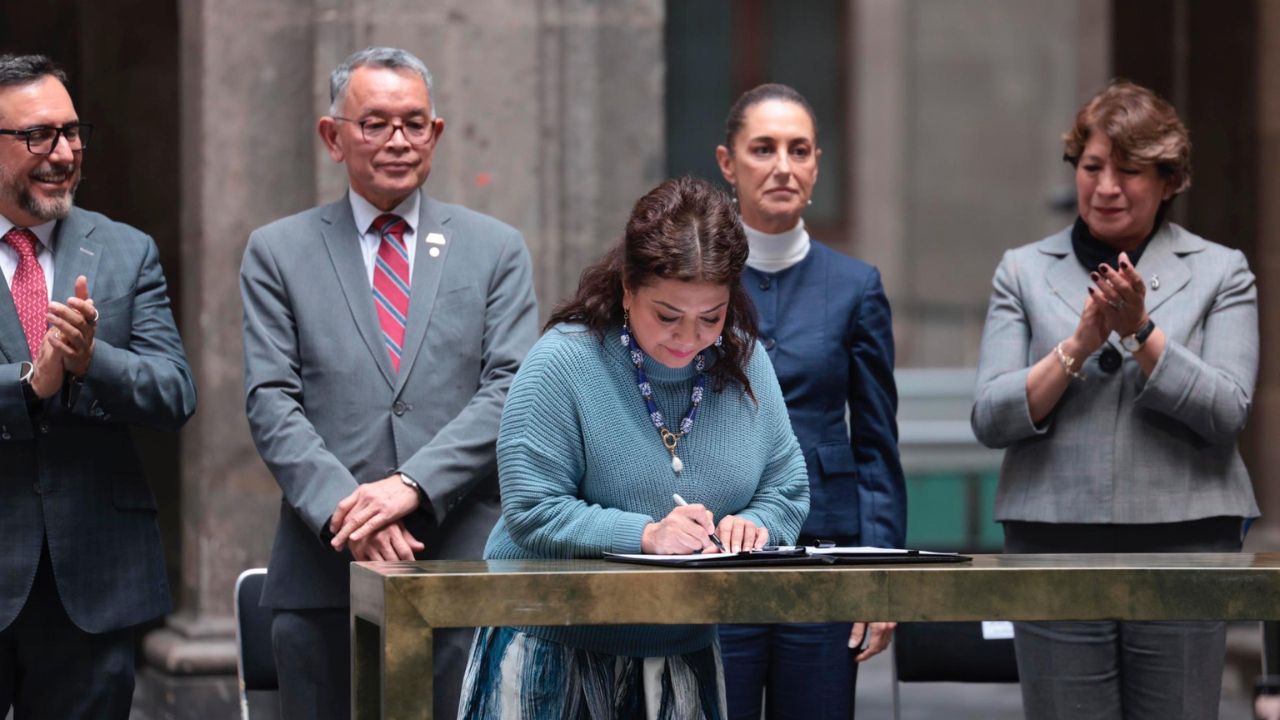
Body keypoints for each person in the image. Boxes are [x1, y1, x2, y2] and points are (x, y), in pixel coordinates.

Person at [241, 47, 538, 720]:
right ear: (333, 137)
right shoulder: (277, 251)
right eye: (374, 123)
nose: (397, 141)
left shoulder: (494, 249)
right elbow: (270, 402)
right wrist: (352, 512)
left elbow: (510, 390)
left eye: (413, 123)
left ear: (436, 133)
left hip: (459, 566)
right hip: (322, 574)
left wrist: (410, 488)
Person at [456, 175, 810, 719]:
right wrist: (645, 534)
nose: (688, 338)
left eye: (710, 317)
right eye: (667, 316)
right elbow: (531, 509)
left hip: (680, 650)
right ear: (627, 289)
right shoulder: (564, 362)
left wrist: (758, 524)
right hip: (553, 647)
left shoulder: (742, 360)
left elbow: (786, 485)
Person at [971, 80, 1258, 719]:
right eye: (1093, 167)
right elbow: (991, 416)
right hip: (1053, 542)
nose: (1106, 187)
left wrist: (1142, 334)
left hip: (1186, 544)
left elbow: (1228, 411)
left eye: (1128, 170)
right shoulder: (1022, 270)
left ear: (1168, 179)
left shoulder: (1221, 271)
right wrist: (1077, 344)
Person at [0, 54, 197, 718]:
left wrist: (91, 361)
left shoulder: (125, 250)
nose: (65, 152)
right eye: (39, 135)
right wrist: (33, 381)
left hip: (94, 581)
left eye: (73, 132)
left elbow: (173, 394)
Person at [712, 83, 906, 719]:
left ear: (818, 163)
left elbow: (876, 445)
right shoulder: (692, 282)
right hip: (716, 546)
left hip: (826, 549)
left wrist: (879, 573)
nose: (782, 166)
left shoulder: (855, 286)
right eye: (762, 149)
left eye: (799, 150)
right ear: (727, 162)